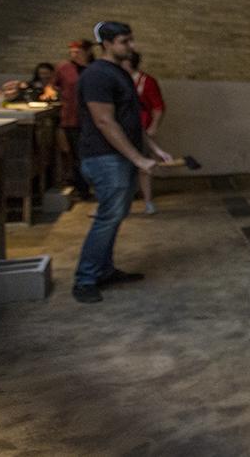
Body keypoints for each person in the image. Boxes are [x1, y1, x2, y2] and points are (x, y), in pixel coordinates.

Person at [71, 22, 157, 304]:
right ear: (106, 44)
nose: (131, 46)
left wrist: (153, 149)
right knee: (108, 218)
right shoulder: (97, 75)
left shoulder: (118, 72)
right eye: (124, 41)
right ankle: (85, 279)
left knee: (115, 216)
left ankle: (104, 270)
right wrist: (138, 158)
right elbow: (104, 121)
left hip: (119, 157)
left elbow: (129, 119)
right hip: (104, 158)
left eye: (131, 40)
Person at [122, 51, 168, 214]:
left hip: (141, 129)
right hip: (121, 129)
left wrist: (153, 126)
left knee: (144, 167)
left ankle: (148, 201)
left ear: (129, 63)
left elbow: (158, 106)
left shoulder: (146, 82)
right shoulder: (118, 80)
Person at [53, 40, 94, 199]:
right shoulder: (64, 67)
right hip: (71, 117)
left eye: (78, 52)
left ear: (87, 52)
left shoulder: (95, 67)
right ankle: (82, 189)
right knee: (77, 155)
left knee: (92, 153)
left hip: (93, 118)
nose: (74, 55)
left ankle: (94, 185)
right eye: (72, 52)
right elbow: (52, 85)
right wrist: (50, 93)